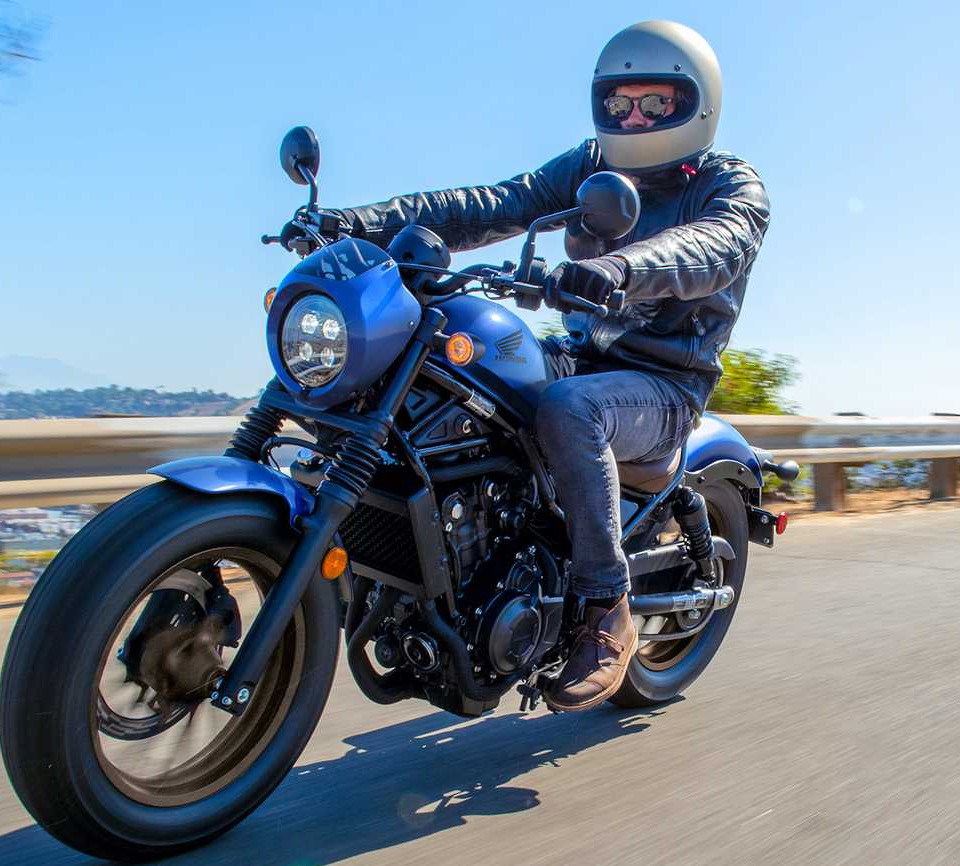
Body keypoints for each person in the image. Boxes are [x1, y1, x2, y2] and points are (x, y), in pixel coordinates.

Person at [282, 21, 769, 711]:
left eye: (654, 104)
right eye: (620, 103)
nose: (634, 118)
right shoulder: (590, 165)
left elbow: (713, 248)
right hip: (579, 355)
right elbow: (493, 205)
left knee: (570, 410)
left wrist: (621, 268)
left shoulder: (731, 185)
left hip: (662, 384)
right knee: (457, 376)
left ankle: (608, 610)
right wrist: (358, 222)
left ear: (696, 104)